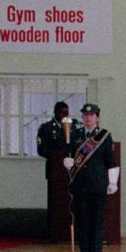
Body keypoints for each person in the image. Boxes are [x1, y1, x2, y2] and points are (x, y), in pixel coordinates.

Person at [64, 103, 118, 252]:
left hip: (98, 184)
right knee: (82, 219)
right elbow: (72, 158)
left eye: (91, 115)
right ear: (82, 117)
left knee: (96, 219)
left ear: (97, 117)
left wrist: (113, 182)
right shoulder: (74, 134)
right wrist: (68, 163)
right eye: (85, 115)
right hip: (80, 184)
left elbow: (110, 161)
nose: (88, 118)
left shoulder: (104, 136)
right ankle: (84, 251)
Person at [36, 100, 73, 236]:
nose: (66, 115)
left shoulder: (73, 126)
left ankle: (70, 230)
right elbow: (42, 149)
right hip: (55, 171)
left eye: (67, 112)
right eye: (63, 113)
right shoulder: (46, 128)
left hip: (71, 172)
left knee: (71, 201)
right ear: (56, 113)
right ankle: (53, 232)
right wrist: (57, 156)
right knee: (54, 203)